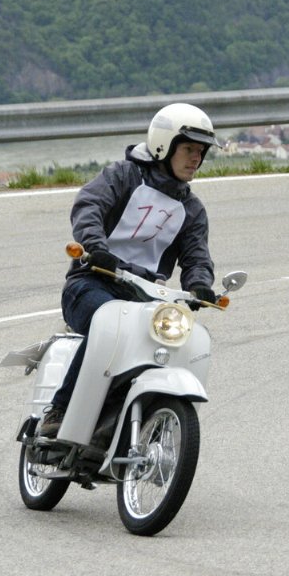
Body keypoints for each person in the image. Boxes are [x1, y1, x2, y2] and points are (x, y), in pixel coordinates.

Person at [38, 102, 219, 437]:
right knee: (110, 325)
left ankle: (133, 417)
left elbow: (197, 257)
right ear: (164, 146)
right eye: (189, 149)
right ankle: (59, 409)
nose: (196, 158)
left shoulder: (192, 210)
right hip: (91, 282)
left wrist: (199, 284)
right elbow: (89, 205)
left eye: (201, 152)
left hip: (146, 297)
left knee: (174, 342)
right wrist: (96, 248)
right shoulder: (123, 176)